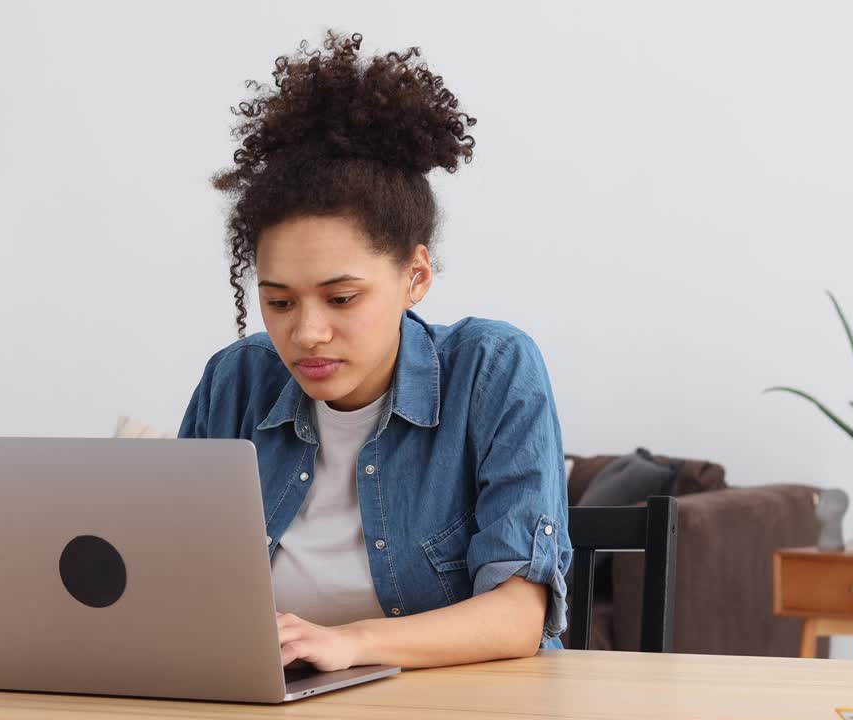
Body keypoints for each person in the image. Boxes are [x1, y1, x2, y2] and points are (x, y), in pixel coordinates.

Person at [178, 30, 571, 672]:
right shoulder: (236, 382)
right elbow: (173, 582)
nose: (305, 334)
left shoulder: (493, 368)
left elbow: (518, 614)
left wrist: (349, 643)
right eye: (279, 302)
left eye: (340, 299)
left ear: (414, 276)